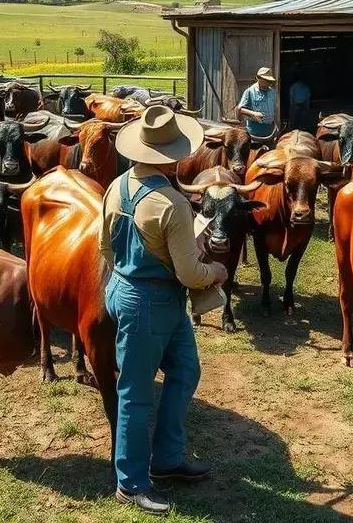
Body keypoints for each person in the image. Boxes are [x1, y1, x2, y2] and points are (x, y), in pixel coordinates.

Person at [99, 105, 229, 514]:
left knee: (185, 370)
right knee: (135, 394)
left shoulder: (116, 186)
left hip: (125, 289)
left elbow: (104, 244)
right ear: (175, 155)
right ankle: (131, 483)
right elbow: (191, 274)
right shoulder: (173, 203)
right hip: (152, 302)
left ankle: (167, 459)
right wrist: (217, 270)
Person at [235, 67, 277, 137]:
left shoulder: (272, 92)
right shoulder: (250, 91)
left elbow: (274, 109)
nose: (268, 82)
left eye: (269, 80)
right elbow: (239, 109)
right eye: (265, 80)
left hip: (270, 130)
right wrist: (253, 113)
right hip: (254, 131)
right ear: (258, 78)